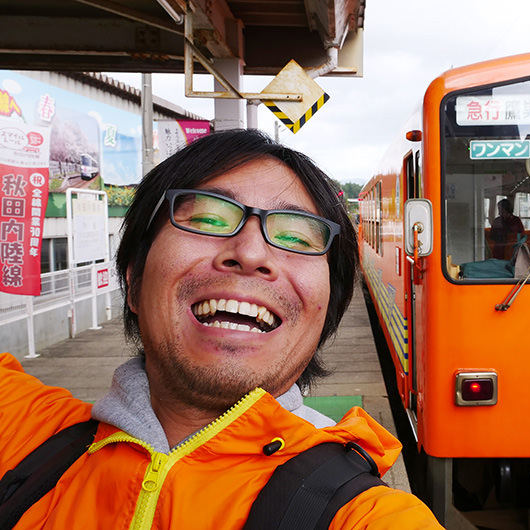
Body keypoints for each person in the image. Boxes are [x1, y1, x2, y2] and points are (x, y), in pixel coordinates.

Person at [0, 129, 443, 529]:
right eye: (207, 219)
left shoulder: (366, 515)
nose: (250, 253)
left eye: (296, 237)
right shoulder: (25, 433)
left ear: (325, 313)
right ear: (133, 283)